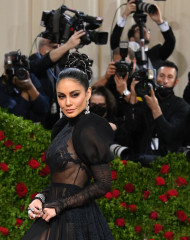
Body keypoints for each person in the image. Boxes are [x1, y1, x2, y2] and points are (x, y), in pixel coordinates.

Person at [22, 53, 115, 240]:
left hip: (77, 220)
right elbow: (60, 181)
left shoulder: (90, 129)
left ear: (88, 93)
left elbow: (104, 184)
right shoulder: (61, 127)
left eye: (75, 95)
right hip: (53, 213)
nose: (68, 103)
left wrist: (61, 205)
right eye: (61, 96)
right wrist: (40, 198)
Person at [121, 61, 190, 164]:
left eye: (170, 77)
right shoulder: (144, 101)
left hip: (168, 162)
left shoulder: (182, 106)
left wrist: (155, 109)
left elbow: (170, 135)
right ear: (155, 78)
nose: (164, 81)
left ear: (176, 82)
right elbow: (130, 129)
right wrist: (133, 97)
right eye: (161, 76)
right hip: (141, 158)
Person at [29, 30, 86, 129]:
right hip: (38, 119)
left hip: (56, 119)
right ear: (42, 50)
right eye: (54, 48)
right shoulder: (32, 62)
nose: (60, 51)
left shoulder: (58, 66)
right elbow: (43, 63)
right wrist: (67, 45)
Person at [110, 0, 176, 70]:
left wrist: (160, 21)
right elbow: (114, 42)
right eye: (139, 30)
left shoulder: (157, 53)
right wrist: (124, 16)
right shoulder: (127, 54)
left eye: (146, 30)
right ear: (131, 39)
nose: (144, 31)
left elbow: (171, 42)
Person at [0, 51, 49, 124]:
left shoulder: (31, 78)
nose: (20, 72)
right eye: (15, 69)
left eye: (21, 68)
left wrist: (30, 87)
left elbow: (44, 108)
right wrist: (25, 90)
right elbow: (16, 117)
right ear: (6, 72)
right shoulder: (2, 86)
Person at [93, 47, 136, 119]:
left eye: (125, 63)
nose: (122, 67)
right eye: (119, 63)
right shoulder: (111, 78)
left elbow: (140, 103)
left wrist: (124, 92)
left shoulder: (139, 78)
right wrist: (105, 78)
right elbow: (89, 94)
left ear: (134, 62)